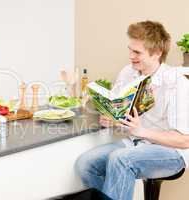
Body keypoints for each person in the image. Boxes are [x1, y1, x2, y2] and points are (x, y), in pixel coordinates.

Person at [75, 20, 189, 200]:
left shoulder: (177, 82)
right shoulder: (128, 72)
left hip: (171, 152)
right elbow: (118, 108)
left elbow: (184, 141)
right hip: (134, 143)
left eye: (137, 52)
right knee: (85, 164)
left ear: (157, 53)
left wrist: (142, 131)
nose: (130, 56)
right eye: (130, 50)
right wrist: (110, 117)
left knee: (120, 159)